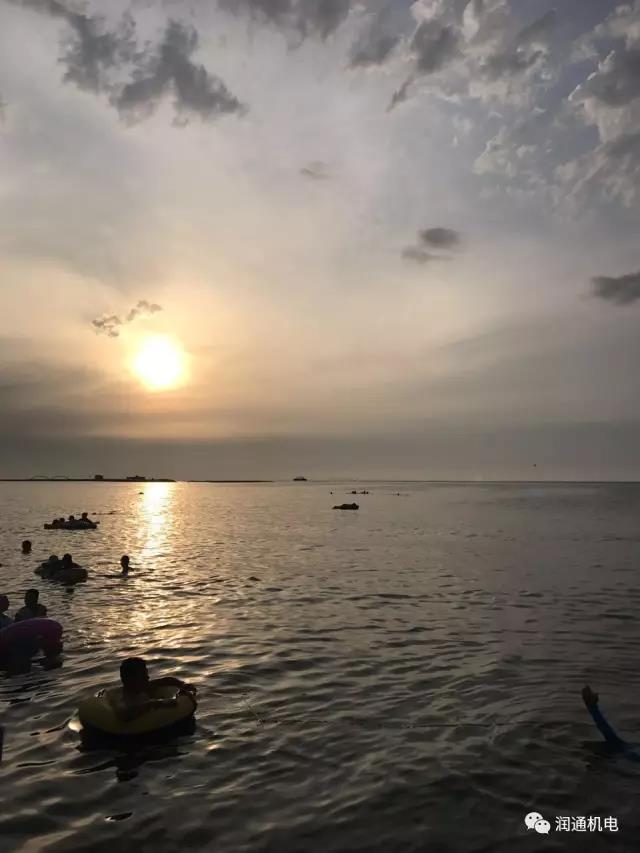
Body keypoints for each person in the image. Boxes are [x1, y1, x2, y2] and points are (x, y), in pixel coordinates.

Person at [108, 657, 196, 722]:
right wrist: (155, 703)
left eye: (146, 674)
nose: (148, 677)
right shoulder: (121, 697)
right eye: (142, 676)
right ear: (129, 679)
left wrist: (182, 684)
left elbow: (167, 680)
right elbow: (123, 714)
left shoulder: (143, 687)